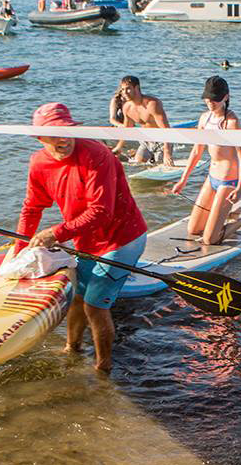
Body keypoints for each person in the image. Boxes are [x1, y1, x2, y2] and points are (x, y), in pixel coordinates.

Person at [19, 103, 148, 374]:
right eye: (53, 133)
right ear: (39, 137)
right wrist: (20, 249)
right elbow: (32, 208)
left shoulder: (96, 154)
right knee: (77, 298)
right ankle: (72, 348)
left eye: (66, 131)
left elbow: (101, 212)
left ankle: (103, 368)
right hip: (85, 241)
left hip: (122, 238)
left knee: (94, 308)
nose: (62, 138)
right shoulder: (39, 163)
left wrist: (55, 233)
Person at [171, 76, 241, 245]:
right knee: (193, 229)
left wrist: (240, 188)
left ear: (226, 97)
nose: (211, 103)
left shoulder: (232, 122)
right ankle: (230, 213)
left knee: (210, 239)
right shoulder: (204, 118)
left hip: (228, 181)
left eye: (216, 99)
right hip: (211, 179)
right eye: (208, 99)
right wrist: (183, 180)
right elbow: (197, 151)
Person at [113, 75, 174, 165]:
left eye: (128, 89)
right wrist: (118, 148)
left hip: (161, 141)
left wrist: (167, 152)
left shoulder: (152, 104)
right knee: (138, 163)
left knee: (159, 165)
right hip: (145, 141)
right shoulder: (127, 107)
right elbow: (127, 129)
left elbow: (166, 129)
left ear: (137, 88)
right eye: (122, 89)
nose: (124, 92)